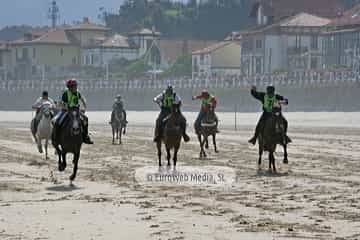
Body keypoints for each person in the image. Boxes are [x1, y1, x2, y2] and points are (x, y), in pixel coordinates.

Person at [52, 79, 93, 144]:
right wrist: (67, 108)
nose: (75, 87)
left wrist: (84, 107)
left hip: (76, 110)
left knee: (85, 119)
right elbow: (60, 104)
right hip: (66, 111)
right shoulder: (65, 93)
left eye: (76, 86)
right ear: (69, 87)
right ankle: (56, 138)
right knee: (57, 121)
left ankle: (85, 136)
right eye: (74, 86)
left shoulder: (77, 92)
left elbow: (82, 99)